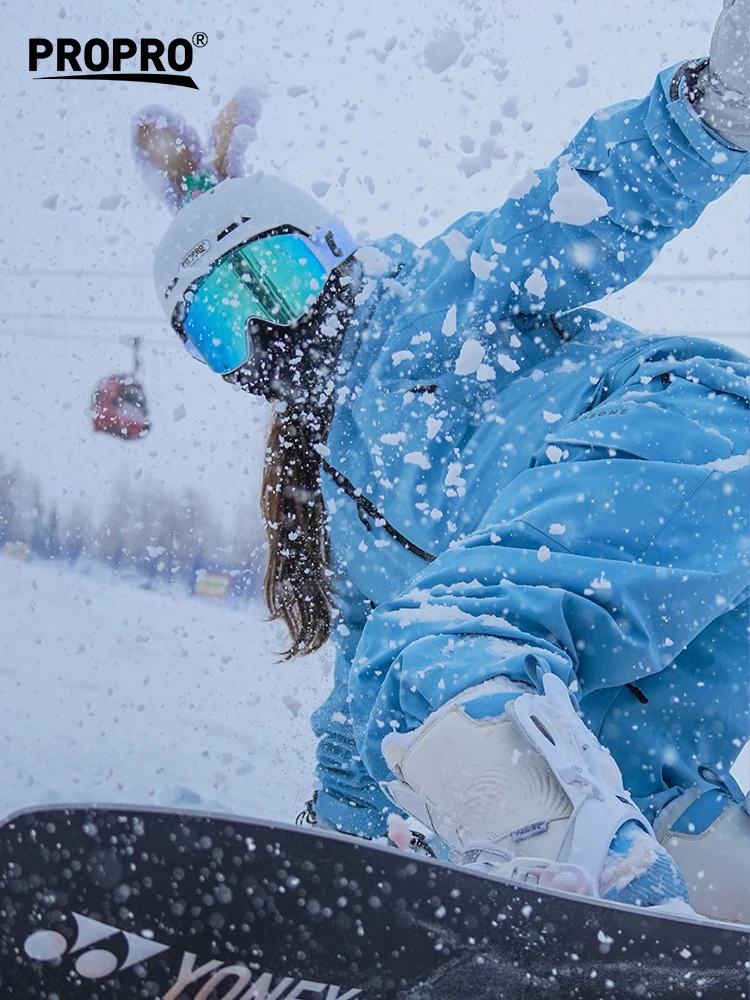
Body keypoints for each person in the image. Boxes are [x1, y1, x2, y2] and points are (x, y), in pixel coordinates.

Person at [134, 1, 750, 923]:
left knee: (442, 648)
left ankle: (594, 903)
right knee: (600, 759)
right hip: (685, 582)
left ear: (333, 252)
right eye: (221, 327)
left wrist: (715, 111)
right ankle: (698, 922)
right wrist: (334, 861)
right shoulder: (345, 517)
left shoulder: (434, 297)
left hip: (679, 446)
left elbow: (576, 206)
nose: (264, 330)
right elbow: (362, 717)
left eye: (277, 282)